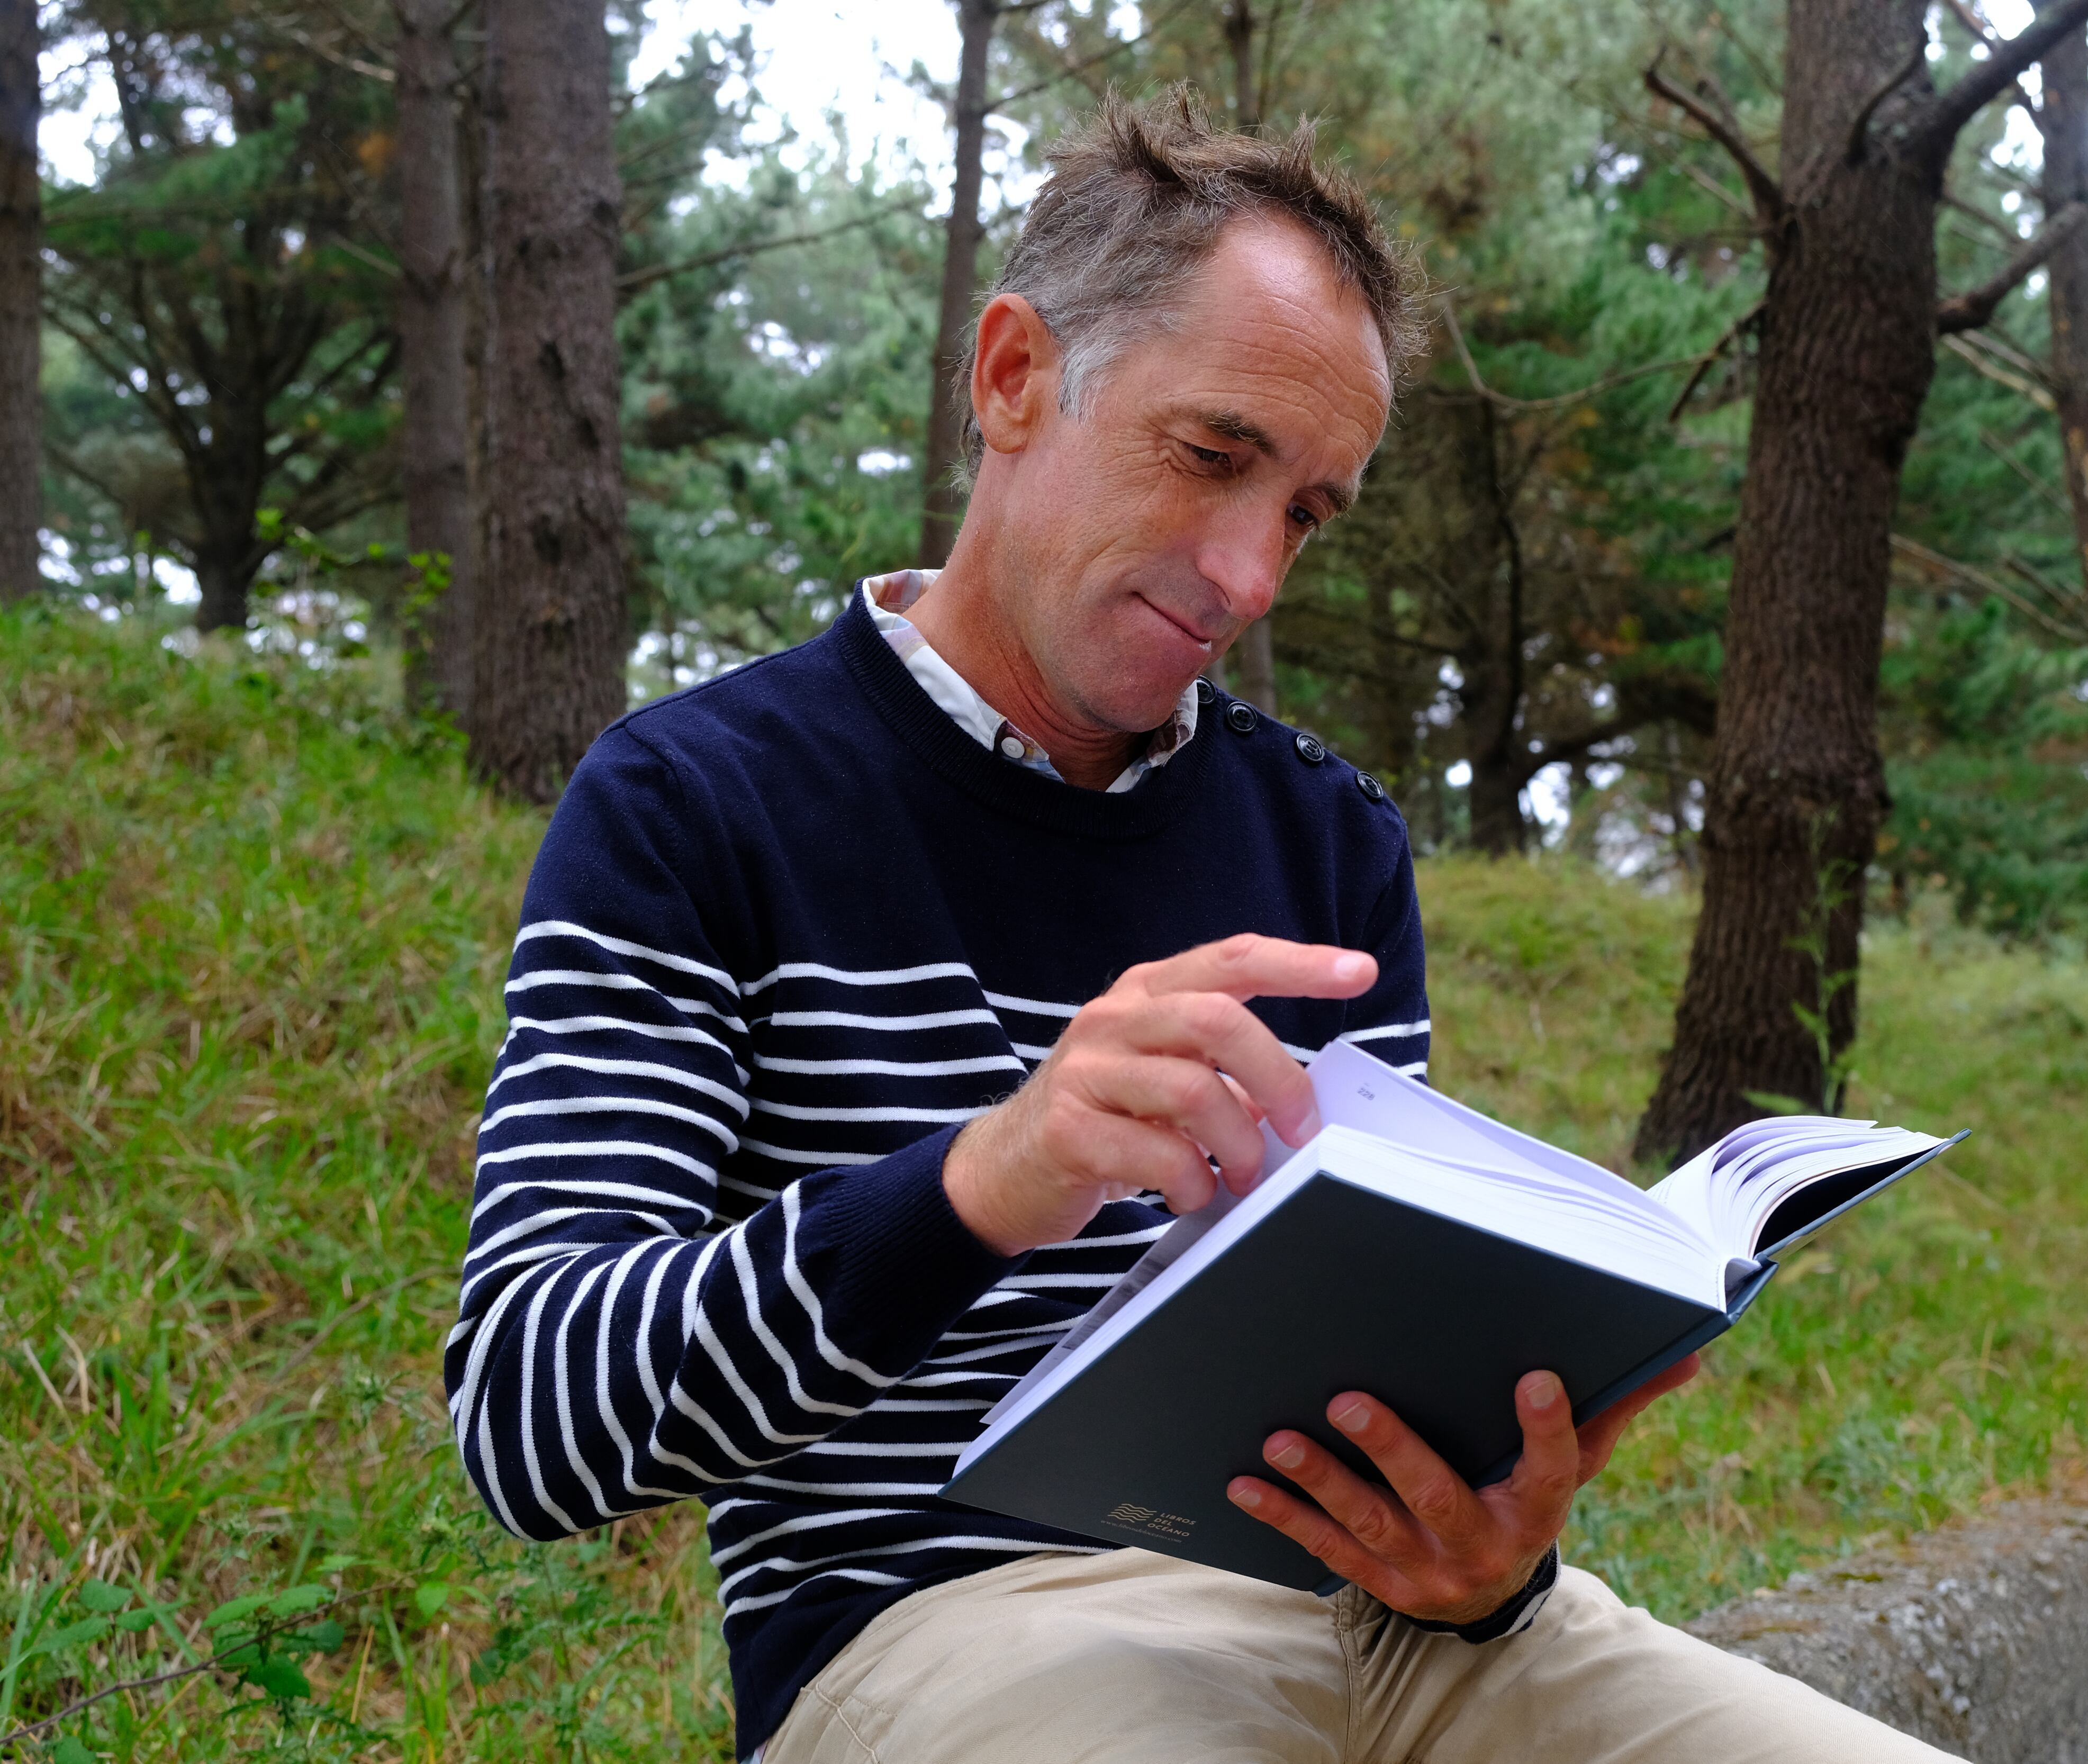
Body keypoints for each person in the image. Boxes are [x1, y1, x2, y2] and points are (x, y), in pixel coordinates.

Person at [445, 89, 1960, 1764]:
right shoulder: (689, 800)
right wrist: (985, 1181)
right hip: (949, 1644)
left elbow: (1377, 1365)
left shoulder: (1326, 839)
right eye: (1214, 456)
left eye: (1308, 512)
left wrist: (1478, 1561)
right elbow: (531, 1426)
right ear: (1014, 377)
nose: (1249, 576)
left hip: (1396, 1639)